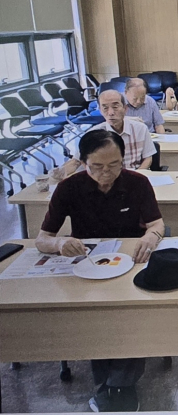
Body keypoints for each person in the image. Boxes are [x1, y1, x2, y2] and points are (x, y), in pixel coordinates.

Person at [36, 130, 165, 412]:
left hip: (130, 260)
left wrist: (150, 238)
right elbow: (42, 238)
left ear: (124, 160)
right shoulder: (69, 188)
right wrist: (59, 243)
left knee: (129, 311)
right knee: (96, 314)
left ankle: (118, 384)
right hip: (86, 264)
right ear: (83, 162)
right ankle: (109, 381)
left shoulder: (137, 182)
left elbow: (156, 224)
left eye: (114, 165)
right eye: (97, 166)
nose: (106, 173)